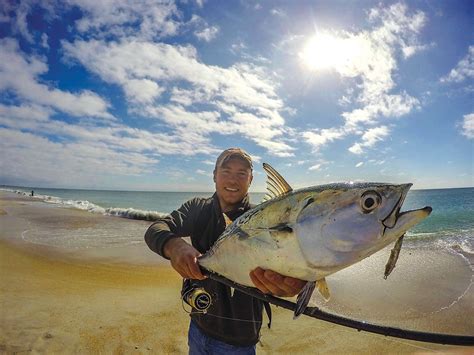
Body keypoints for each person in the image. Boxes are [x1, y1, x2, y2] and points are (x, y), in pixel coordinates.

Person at [145, 148, 306, 354]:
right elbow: (156, 228)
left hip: (239, 341)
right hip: (197, 326)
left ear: (250, 179)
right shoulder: (198, 208)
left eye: (241, 173)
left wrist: (290, 285)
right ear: (214, 175)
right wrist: (174, 246)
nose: (233, 180)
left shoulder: (264, 218)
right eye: (226, 171)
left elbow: (287, 261)